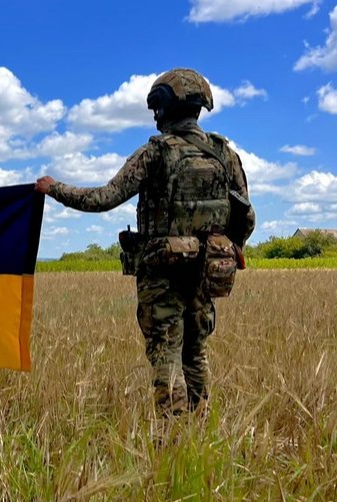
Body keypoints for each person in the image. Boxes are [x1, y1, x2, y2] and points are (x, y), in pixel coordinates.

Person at [35, 68, 255, 417]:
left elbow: (104, 198)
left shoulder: (156, 153)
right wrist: (228, 249)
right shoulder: (224, 154)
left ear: (164, 107)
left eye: (156, 108)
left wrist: (54, 188)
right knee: (195, 353)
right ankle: (200, 431)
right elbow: (246, 216)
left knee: (167, 355)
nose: (155, 116)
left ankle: (173, 437)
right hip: (206, 274)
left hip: (162, 274)